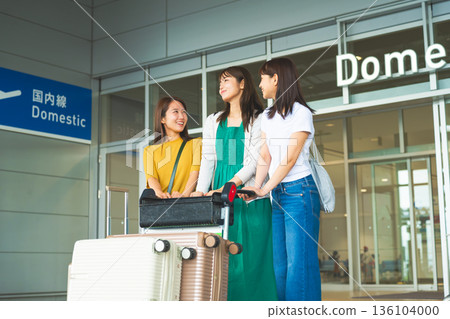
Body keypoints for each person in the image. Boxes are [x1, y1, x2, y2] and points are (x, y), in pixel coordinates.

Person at [191, 66, 278, 301]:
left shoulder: (260, 118)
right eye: (219, 82)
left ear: (242, 84)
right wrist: (201, 192)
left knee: (251, 258)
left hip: (246, 194)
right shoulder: (213, 121)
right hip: (219, 195)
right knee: (221, 258)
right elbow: (208, 159)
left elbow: (254, 160)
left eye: (226, 80)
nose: (220, 85)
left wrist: (230, 186)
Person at [242, 57, 321, 301]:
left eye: (263, 78)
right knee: (280, 266)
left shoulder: (301, 114)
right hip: (278, 194)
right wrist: (257, 187)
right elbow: (265, 154)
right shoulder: (268, 115)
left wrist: (265, 188)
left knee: (299, 264)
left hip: (300, 192)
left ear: (275, 79)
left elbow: (288, 158)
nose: (260, 84)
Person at [143, 96, 201, 198]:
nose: (182, 116)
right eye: (175, 112)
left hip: (188, 205)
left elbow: (195, 174)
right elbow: (152, 178)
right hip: (162, 207)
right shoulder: (149, 151)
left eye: (183, 112)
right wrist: (160, 195)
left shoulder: (196, 144)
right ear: (162, 119)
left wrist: (183, 196)